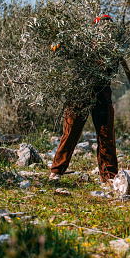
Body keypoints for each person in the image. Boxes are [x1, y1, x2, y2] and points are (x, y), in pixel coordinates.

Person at [49, 15, 118, 183]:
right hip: (80, 93)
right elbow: (61, 50)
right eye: (103, 26)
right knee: (70, 132)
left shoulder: (113, 50)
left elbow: (112, 70)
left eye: (109, 27)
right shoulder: (83, 44)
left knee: (106, 136)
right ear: (95, 29)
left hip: (102, 95)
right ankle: (56, 172)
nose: (106, 30)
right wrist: (56, 45)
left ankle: (109, 177)